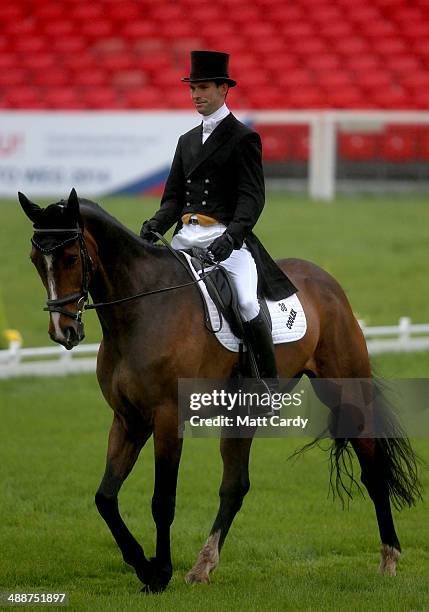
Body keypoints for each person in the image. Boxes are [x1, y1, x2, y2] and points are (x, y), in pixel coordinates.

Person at [140, 50, 296, 385]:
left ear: (224, 89)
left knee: (245, 302)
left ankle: (266, 384)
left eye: (204, 87)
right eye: (192, 88)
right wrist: (156, 223)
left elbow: (252, 199)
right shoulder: (186, 141)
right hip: (186, 238)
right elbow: (173, 199)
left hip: (227, 239)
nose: (196, 95)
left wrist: (231, 238)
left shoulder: (243, 137)